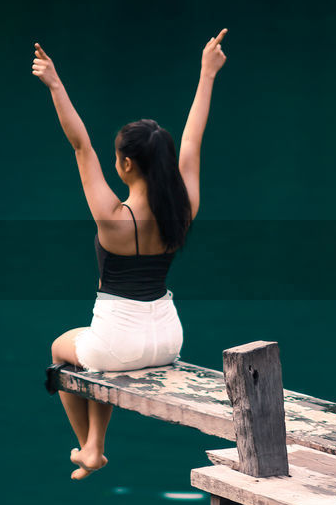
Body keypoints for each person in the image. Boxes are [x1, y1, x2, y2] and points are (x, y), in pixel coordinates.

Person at [32, 30, 228, 480]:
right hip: (167, 339)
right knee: (95, 349)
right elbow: (193, 142)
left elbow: (80, 144)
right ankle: (95, 446)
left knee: (64, 351)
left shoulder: (113, 217)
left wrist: (56, 85)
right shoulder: (184, 207)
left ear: (124, 164)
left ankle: (89, 446)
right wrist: (207, 73)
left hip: (117, 342)